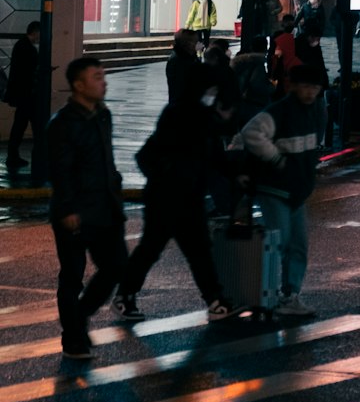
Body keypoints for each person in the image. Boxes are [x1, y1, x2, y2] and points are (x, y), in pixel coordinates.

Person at [112, 66, 235, 323]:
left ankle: (215, 300)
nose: (212, 94)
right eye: (210, 89)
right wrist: (170, 176)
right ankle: (125, 296)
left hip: (188, 197)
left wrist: (237, 175)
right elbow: (150, 154)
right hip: (165, 198)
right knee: (154, 248)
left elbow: (215, 157)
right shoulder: (180, 114)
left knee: (197, 250)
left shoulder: (204, 117)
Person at [47, 56, 127, 360]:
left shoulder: (102, 115)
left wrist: (115, 188)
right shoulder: (63, 124)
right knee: (72, 276)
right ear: (78, 85)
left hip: (105, 207)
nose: (103, 81)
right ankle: (73, 339)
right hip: (75, 212)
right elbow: (59, 170)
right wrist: (67, 209)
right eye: (96, 77)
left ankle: (78, 317)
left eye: (103, 75)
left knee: (117, 265)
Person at [239, 64, 326, 317]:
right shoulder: (279, 111)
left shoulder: (313, 111)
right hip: (275, 189)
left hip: (297, 190)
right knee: (281, 242)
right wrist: (277, 160)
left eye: (315, 87)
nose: (310, 92)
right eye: (306, 86)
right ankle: (265, 292)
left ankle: (290, 294)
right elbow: (251, 133)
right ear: (294, 86)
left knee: (297, 244)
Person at [5, 20, 39, 172]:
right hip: (26, 95)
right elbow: (29, 70)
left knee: (20, 125)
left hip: (22, 94)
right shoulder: (27, 48)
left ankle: (13, 156)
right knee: (31, 125)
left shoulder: (21, 45)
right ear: (35, 32)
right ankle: (36, 156)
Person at [232, 36, 275, 126]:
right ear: (265, 48)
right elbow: (257, 85)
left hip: (241, 102)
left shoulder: (241, 61)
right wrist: (271, 87)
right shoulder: (258, 63)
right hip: (254, 103)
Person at [166, 28, 202, 106]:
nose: (198, 44)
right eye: (195, 42)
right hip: (182, 106)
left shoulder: (187, 57)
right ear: (188, 43)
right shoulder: (178, 60)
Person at [269, 14, 300, 92]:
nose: (290, 25)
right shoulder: (279, 35)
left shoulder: (296, 36)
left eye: (291, 23)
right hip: (283, 67)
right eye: (288, 23)